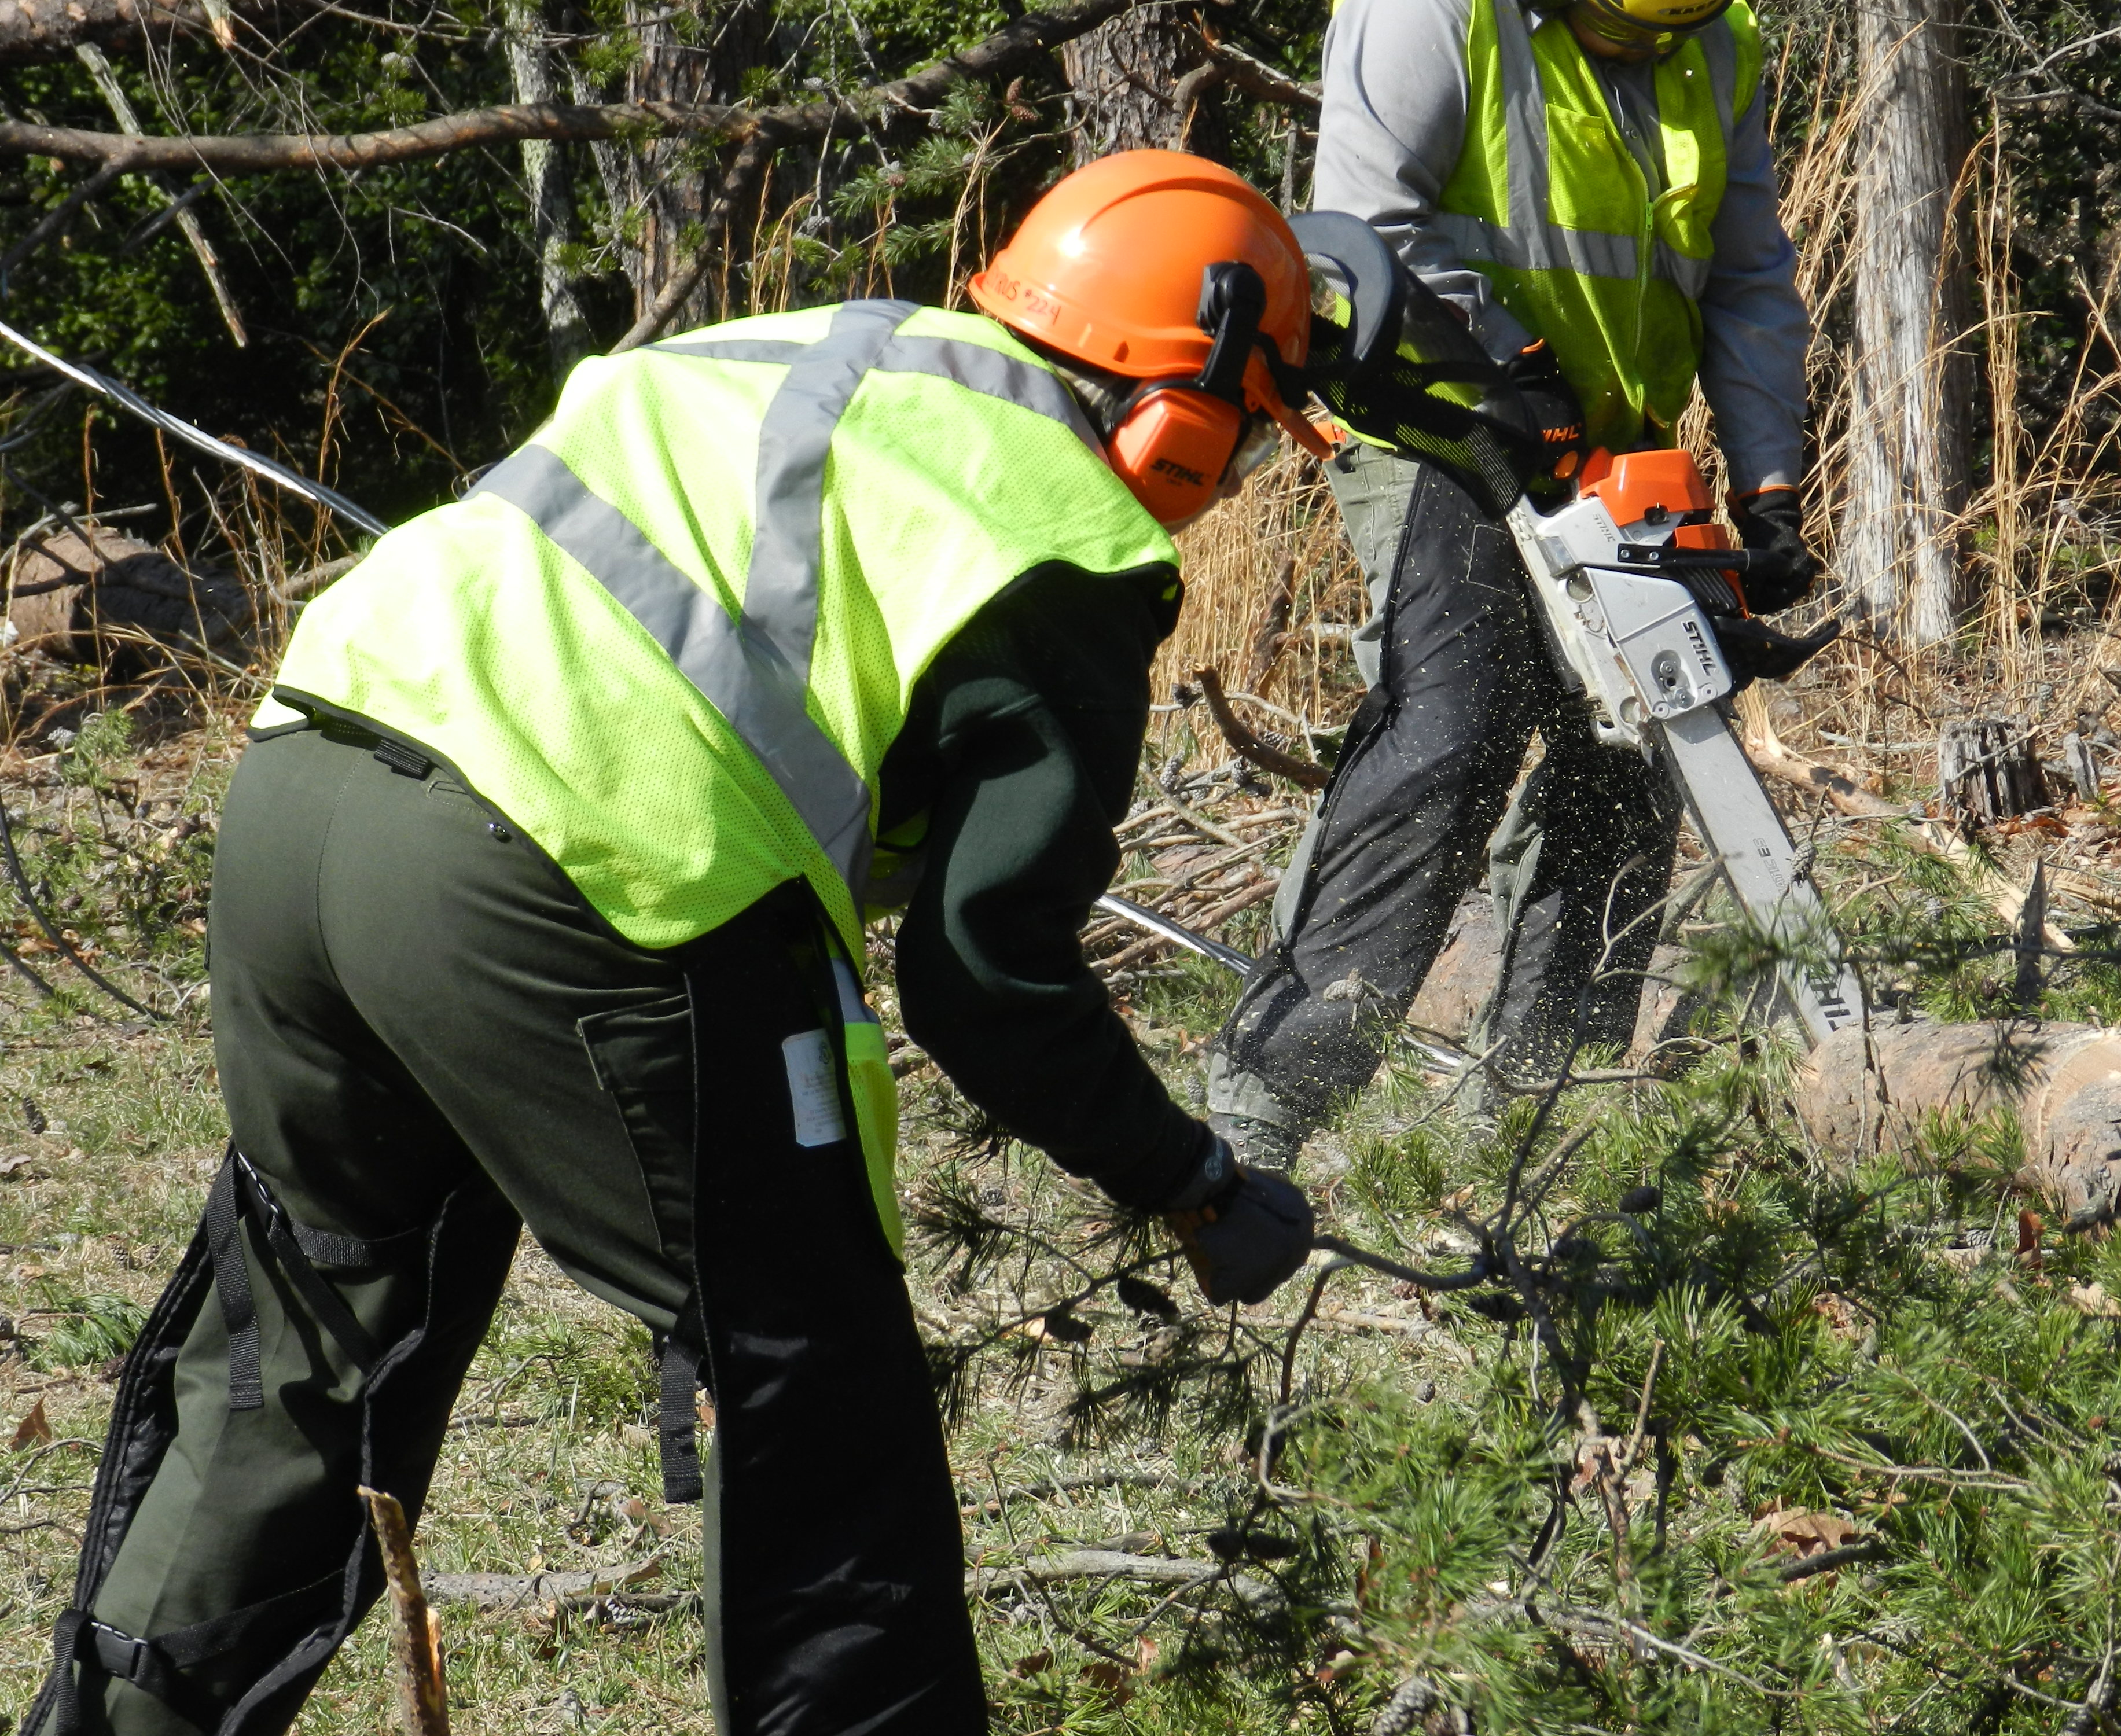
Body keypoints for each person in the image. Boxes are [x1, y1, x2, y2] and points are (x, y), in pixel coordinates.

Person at [25, 150, 1319, 1736]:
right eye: (1250, 443)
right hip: (565, 871)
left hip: (304, 785)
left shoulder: (816, 346)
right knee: (816, 1400)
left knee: (299, 1351)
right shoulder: (1062, 530)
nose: (1233, 481)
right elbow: (991, 978)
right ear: (1184, 411)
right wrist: (1188, 1183)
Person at [1206, 0, 1821, 1168]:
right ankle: (1261, 1107)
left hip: (1610, 437)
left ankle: (1545, 1106)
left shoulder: (1716, 39)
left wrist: (1769, 484)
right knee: (1453, 724)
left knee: (1635, 750)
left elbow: (1744, 278)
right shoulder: (1431, 13)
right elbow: (1357, 224)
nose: (1640, 47)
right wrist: (1504, 371)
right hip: (1433, 420)